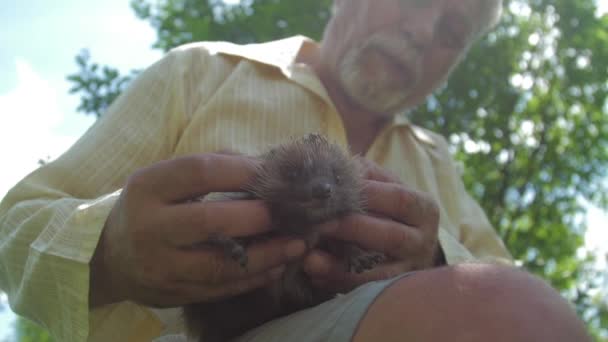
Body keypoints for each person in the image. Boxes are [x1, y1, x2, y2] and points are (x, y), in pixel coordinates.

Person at [0, 0, 590, 341]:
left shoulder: (438, 163)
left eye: (451, 31)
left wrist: (439, 268)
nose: (420, 30)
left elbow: (526, 301)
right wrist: (107, 249)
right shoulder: (203, 72)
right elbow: (14, 229)